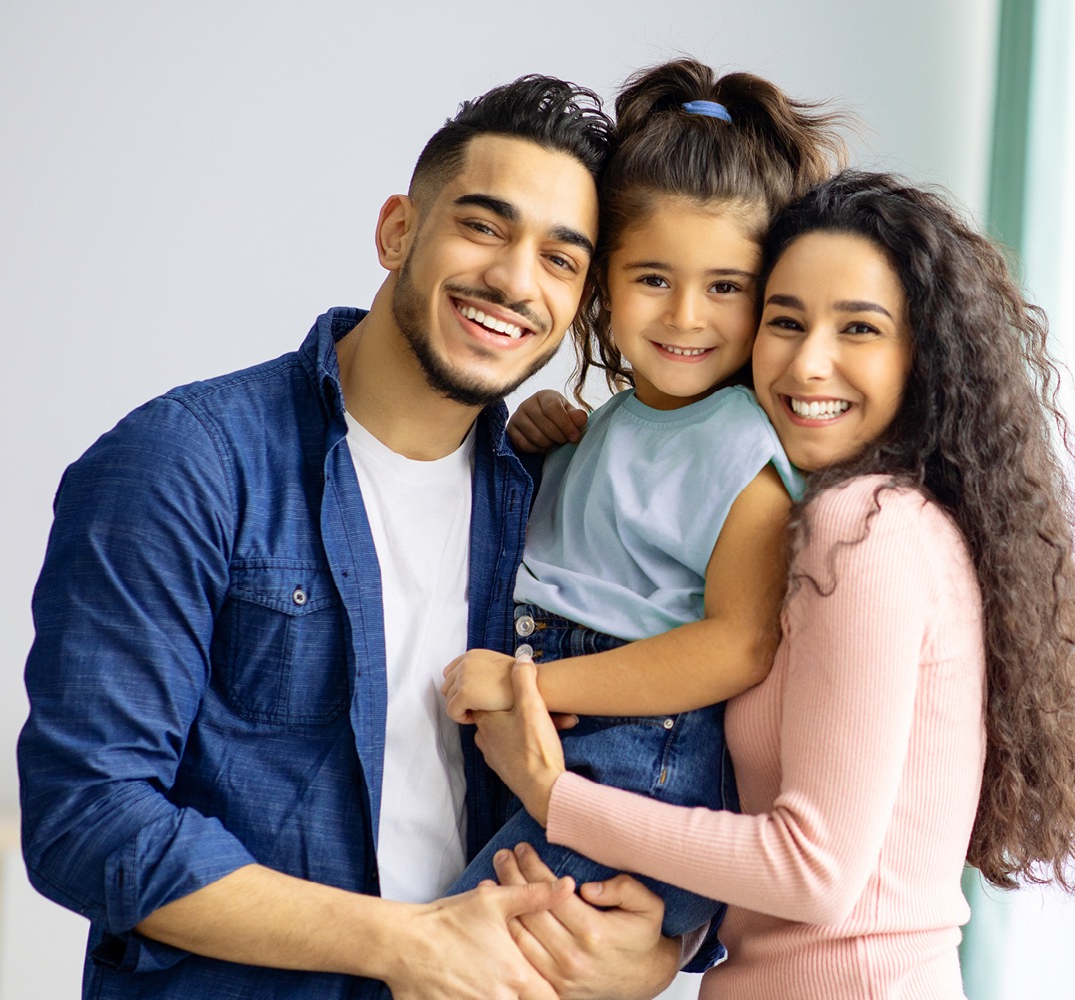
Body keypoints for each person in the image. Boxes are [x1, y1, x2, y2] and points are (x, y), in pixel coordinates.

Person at [16, 75, 685, 1000]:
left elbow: (664, 749)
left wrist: (665, 951)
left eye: (561, 260)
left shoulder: (554, 496)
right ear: (397, 231)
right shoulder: (182, 464)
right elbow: (87, 818)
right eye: (484, 226)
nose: (514, 280)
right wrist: (408, 944)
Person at [475, 171, 1075, 997]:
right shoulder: (847, 519)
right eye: (785, 321)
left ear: (922, 354)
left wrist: (553, 793)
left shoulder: (866, 528)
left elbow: (812, 871)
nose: (809, 362)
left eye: (859, 328)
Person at [435, 58, 844, 941]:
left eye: (725, 288)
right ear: (602, 286)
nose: (686, 316)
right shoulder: (615, 421)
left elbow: (738, 643)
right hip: (571, 739)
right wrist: (537, 442)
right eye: (653, 278)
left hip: (634, 760)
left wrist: (530, 684)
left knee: (447, 955)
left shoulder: (743, 442)